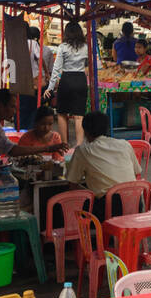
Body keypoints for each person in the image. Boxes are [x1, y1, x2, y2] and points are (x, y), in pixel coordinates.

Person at [65, 111, 141, 217]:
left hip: (110, 208)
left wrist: (91, 192)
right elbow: (137, 172)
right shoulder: (124, 144)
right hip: (137, 202)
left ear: (85, 131)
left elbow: (72, 184)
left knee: (76, 201)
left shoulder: (83, 150)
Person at [46, 18, 89, 148]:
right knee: (79, 115)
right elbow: (91, 65)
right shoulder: (86, 47)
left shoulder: (63, 47)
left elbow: (56, 69)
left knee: (62, 113)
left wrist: (50, 87)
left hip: (66, 80)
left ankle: (64, 144)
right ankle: (79, 146)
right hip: (81, 80)